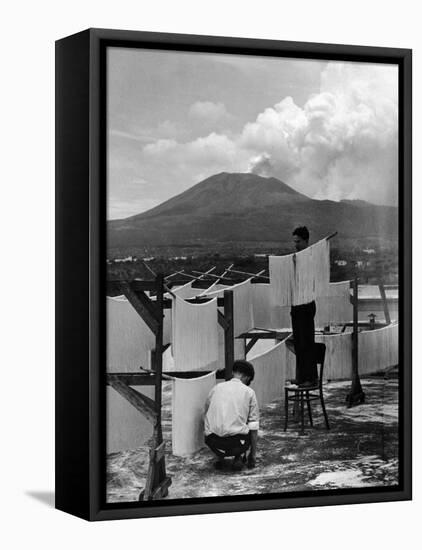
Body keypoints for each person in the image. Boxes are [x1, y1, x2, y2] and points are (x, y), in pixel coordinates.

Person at [204, 360, 259, 472]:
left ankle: (219, 456)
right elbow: (254, 426)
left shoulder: (216, 388)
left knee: (214, 422)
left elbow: (205, 412)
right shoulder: (249, 392)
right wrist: (253, 455)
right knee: (251, 426)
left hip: (213, 441)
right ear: (247, 377)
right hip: (237, 444)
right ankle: (238, 457)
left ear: (233, 373)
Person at [290, 226, 318, 388]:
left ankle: (311, 377)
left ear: (306, 241)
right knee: (299, 342)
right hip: (296, 303)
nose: (296, 244)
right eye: (294, 242)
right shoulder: (297, 257)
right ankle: (301, 376)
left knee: (307, 342)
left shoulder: (311, 257)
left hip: (306, 303)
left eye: (298, 241)